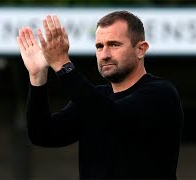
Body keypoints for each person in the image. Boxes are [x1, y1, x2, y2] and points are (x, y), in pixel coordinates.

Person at [17, 10, 184, 180]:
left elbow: (113, 118)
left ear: (141, 49)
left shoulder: (160, 93)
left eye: (114, 44)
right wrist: (37, 76)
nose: (104, 55)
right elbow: (43, 135)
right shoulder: (95, 98)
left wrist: (62, 64)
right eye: (99, 46)